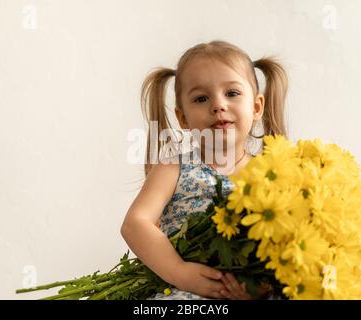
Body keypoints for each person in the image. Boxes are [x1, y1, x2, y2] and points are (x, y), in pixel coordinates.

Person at [121, 40, 288, 299]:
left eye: (232, 93)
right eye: (201, 98)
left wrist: (262, 287)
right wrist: (179, 272)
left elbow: (288, 241)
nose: (218, 105)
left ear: (256, 107)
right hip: (186, 291)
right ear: (183, 118)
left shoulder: (273, 173)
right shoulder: (174, 168)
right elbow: (135, 224)